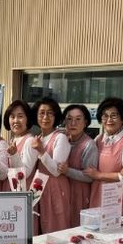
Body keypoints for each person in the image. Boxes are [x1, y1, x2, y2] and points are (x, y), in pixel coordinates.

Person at [23, 96, 71, 234]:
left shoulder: (60, 138)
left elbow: (56, 171)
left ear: (56, 116)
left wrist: (41, 151)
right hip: (40, 188)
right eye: (42, 113)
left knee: (57, 228)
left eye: (50, 113)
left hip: (56, 188)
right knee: (44, 227)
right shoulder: (39, 138)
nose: (45, 117)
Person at [85, 97, 123, 213]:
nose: (109, 120)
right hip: (97, 192)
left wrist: (99, 175)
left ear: (122, 117)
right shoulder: (98, 139)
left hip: (116, 196)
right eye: (105, 116)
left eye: (114, 116)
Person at [57, 104, 98, 227]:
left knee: (75, 227)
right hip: (62, 191)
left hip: (79, 194)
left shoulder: (89, 145)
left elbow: (89, 177)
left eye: (78, 119)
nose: (73, 123)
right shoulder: (62, 139)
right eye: (69, 119)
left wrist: (67, 171)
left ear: (85, 122)